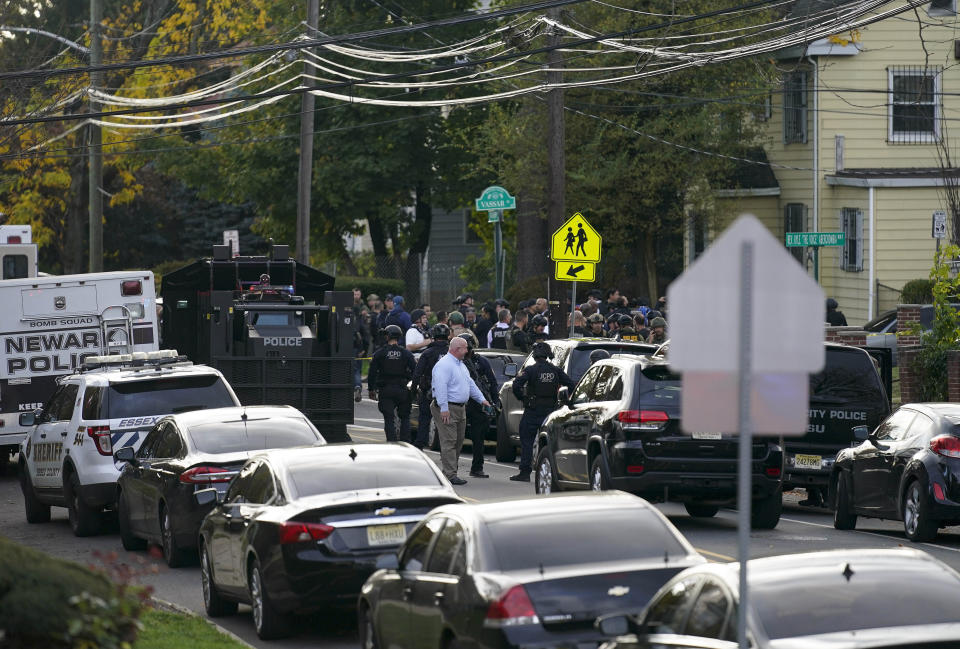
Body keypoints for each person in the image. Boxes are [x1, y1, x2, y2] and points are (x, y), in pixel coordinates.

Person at [510, 342, 574, 482]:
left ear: (535, 355)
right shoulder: (556, 370)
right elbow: (571, 384)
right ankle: (548, 472)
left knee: (527, 441)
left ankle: (525, 473)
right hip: (550, 410)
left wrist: (523, 398)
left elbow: (516, 385)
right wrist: (564, 401)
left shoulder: (530, 370)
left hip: (532, 410)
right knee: (549, 443)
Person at [431, 336, 491, 485]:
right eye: (465, 348)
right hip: (447, 408)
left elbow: (470, 384)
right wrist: (444, 408)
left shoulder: (461, 365)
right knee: (449, 441)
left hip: (460, 408)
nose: (467, 350)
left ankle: (451, 472)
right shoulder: (444, 365)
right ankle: (450, 475)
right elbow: (440, 387)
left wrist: (482, 399)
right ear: (457, 349)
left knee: (458, 442)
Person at [458, 331, 499, 478]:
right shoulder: (455, 362)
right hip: (459, 402)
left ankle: (477, 467)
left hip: (477, 404)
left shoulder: (481, 362)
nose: (465, 351)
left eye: (467, 348)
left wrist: (494, 401)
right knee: (454, 438)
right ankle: (451, 469)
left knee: (479, 437)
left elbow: (492, 383)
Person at [367, 325, 416, 442]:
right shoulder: (406, 354)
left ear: (388, 336)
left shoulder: (380, 353)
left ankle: (392, 443)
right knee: (405, 418)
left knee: (389, 418)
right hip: (402, 389)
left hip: (386, 389)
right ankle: (405, 443)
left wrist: (371, 389)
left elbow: (372, 373)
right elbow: (415, 371)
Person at [411, 323, 450, 449]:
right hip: (450, 392)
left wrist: (413, 390)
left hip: (428, 390)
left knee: (424, 418)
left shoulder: (428, 353)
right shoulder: (453, 354)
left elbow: (417, 373)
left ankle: (420, 444)